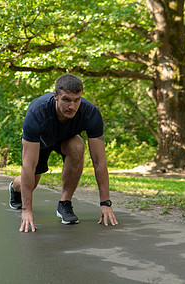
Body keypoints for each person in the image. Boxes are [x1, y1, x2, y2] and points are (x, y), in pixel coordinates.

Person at [9, 74, 118, 232]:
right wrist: (27, 210)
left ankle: (65, 203)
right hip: (41, 143)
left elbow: (99, 162)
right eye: (66, 99)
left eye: (77, 100)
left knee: (78, 146)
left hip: (67, 140)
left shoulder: (90, 113)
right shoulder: (37, 112)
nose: (72, 106)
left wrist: (105, 203)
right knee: (31, 182)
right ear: (56, 96)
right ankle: (14, 187)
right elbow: (28, 166)